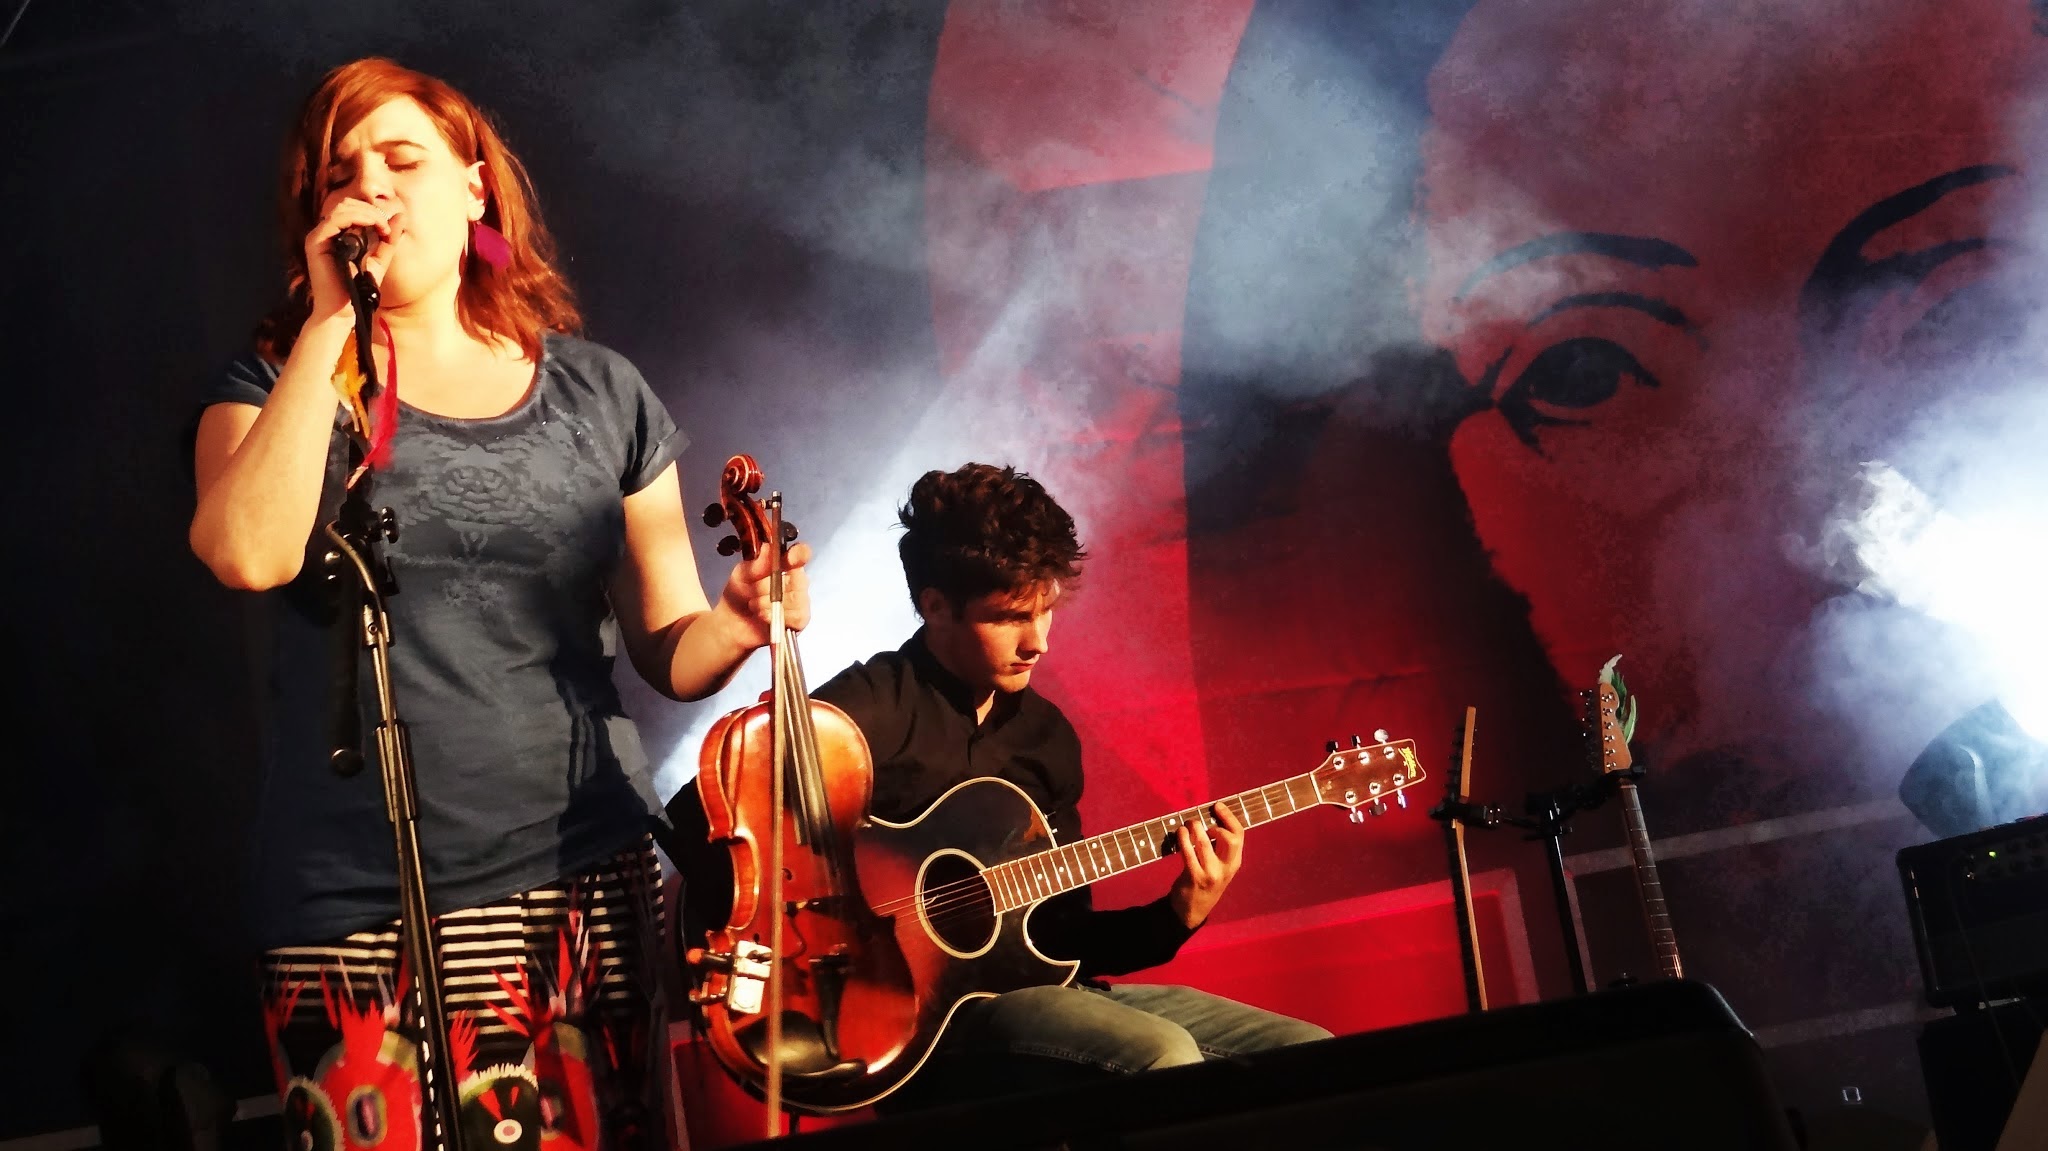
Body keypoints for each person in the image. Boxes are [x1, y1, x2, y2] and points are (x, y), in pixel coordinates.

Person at [188, 57, 808, 1150]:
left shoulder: (599, 391)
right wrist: (328, 323)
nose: (371, 188)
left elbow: (669, 642)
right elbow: (244, 553)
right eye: (341, 174)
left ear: (475, 185)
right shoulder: (275, 388)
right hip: (363, 898)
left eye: (401, 159)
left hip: (586, 875)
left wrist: (738, 621)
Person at [809, 462, 1329, 1107]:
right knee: (1164, 1055)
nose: (1039, 643)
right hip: (920, 1023)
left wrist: (1178, 914)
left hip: (1048, 997)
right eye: (1010, 617)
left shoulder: (1045, 738)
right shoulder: (865, 710)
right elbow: (717, 814)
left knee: (1312, 1054)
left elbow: (1066, 939)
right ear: (935, 606)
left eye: (1046, 610)